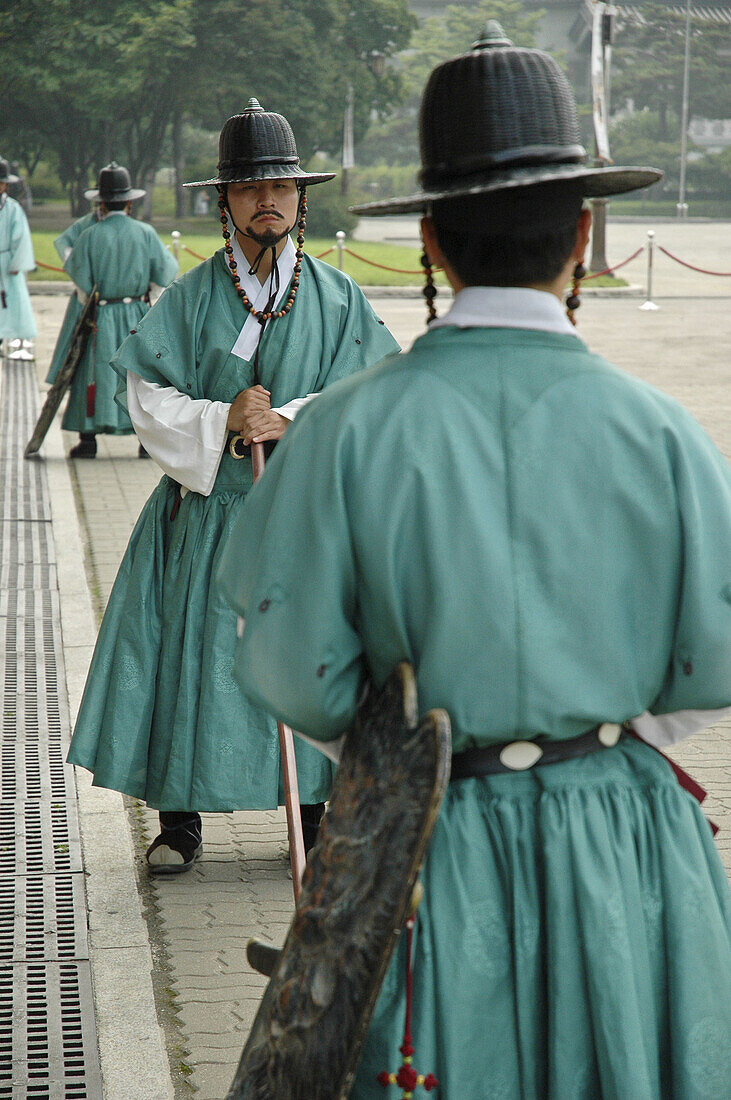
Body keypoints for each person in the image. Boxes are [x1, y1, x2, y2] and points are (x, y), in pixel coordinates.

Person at [217, 30, 731, 1098]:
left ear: (434, 242)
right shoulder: (664, 434)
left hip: (421, 848)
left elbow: (286, 669)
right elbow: (709, 666)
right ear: (584, 232)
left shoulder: (346, 432)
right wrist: (592, 727)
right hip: (623, 843)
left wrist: (419, 735)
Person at [66, 99, 399, 873]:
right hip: (208, 509)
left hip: (306, 512)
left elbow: (377, 389)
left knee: (312, 655)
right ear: (224, 201)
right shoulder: (186, 299)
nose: (267, 200)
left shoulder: (338, 296)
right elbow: (146, 398)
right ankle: (180, 821)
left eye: (280, 185)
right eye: (248, 188)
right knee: (189, 655)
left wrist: (287, 414)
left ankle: (314, 818)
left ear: (300, 197)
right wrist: (221, 418)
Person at [45, 162, 178, 458]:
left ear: (102, 202)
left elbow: (81, 285)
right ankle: (146, 443)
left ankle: (89, 441)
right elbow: (166, 274)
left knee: (94, 372)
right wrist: (144, 297)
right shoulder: (145, 233)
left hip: (100, 316)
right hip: (137, 315)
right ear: (130, 201)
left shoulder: (90, 235)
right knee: (140, 375)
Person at [0, 157, 36, 359]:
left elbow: (21, 237)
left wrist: (17, 263)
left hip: (7, 262)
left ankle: (16, 341)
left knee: (12, 303)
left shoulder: (13, 208)